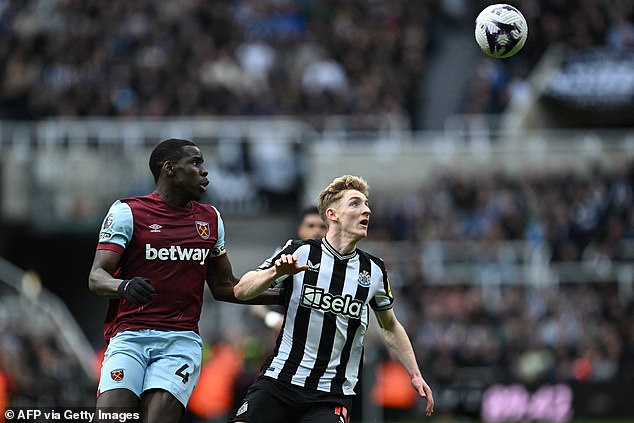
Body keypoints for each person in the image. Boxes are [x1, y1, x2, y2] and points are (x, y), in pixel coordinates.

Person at [88, 138, 283, 423]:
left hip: (180, 342)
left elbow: (225, 287)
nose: (205, 171)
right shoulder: (127, 212)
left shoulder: (210, 219)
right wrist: (124, 286)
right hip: (130, 338)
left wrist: (284, 295)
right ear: (170, 169)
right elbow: (96, 277)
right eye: (196, 163)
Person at [230, 175, 434, 423]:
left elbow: (390, 325)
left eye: (367, 204)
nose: (366, 210)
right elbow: (241, 291)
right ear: (332, 214)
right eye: (355, 203)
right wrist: (276, 272)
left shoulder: (374, 270)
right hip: (279, 381)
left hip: (331, 395)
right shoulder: (300, 251)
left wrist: (414, 374)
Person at [250, 205, 327, 330]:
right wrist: (274, 320)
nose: (317, 231)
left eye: (323, 227)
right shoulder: (287, 257)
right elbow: (256, 304)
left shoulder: (340, 263)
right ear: (300, 230)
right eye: (311, 226)